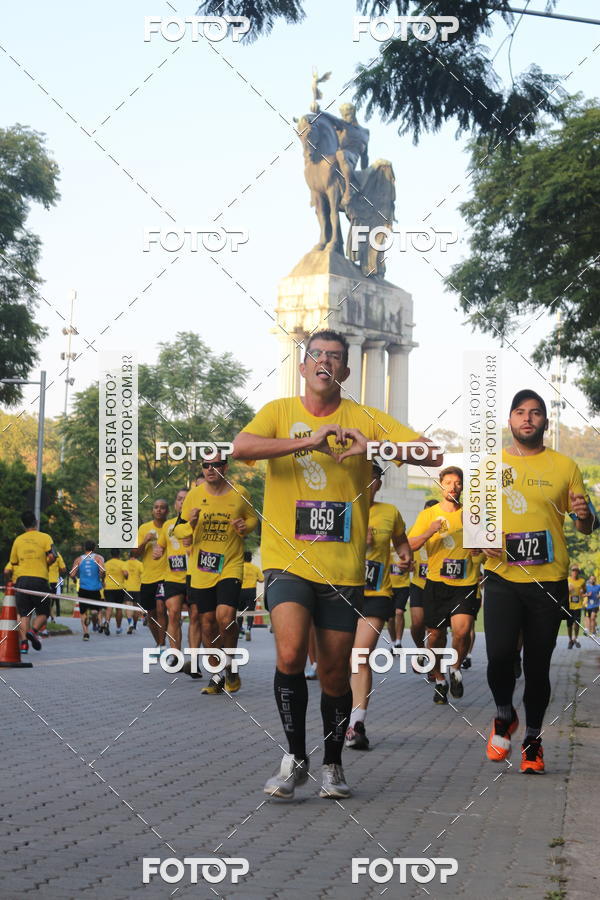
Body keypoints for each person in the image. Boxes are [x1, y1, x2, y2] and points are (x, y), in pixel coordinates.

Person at [232, 329, 442, 799]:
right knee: (288, 654)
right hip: (287, 560)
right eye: (317, 355)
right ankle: (294, 758)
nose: (325, 362)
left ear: (345, 372)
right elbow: (241, 448)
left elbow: (432, 452)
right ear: (304, 366)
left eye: (335, 357)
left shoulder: (365, 418)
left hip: (343, 569)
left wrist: (374, 447)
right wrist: (304, 443)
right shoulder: (280, 412)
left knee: (332, 673)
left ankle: (332, 762)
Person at [482, 390, 595, 773]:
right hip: (502, 577)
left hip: (549, 580)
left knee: (537, 666)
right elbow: (473, 526)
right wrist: (484, 543)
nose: (527, 419)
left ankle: (532, 740)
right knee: (498, 657)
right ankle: (503, 714)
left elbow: (586, 524)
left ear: (546, 422)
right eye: (520, 413)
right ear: (510, 420)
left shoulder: (565, 467)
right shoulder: (488, 466)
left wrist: (583, 514)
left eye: (535, 413)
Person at [176, 454, 257, 694]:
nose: (210, 469)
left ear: (226, 467)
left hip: (230, 564)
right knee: (208, 624)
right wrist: (188, 526)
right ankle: (216, 675)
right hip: (203, 567)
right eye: (206, 465)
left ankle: (231, 665)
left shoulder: (239, 492)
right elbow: (178, 527)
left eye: (216, 465)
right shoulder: (194, 494)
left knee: (226, 617)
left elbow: (253, 519)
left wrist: (246, 526)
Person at [345, 462, 411, 750]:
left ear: (378, 483)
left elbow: (401, 541)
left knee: (360, 655)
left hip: (376, 593)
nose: (365, 484)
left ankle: (357, 722)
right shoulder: (341, 507)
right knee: (338, 662)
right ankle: (342, 715)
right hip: (341, 590)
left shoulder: (390, 513)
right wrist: (357, 541)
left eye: (370, 479)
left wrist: (405, 556)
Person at [409, 467, 479, 704]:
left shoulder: (471, 514)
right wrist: (430, 531)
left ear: (462, 486)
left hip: (465, 582)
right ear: (440, 486)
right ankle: (439, 680)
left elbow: (483, 549)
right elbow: (411, 545)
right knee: (436, 636)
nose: (453, 487)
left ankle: (456, 669)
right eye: (448, 482)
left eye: (457, 483)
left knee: (461, 630)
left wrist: (478, 551)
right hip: (436, 583)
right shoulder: (429, 515)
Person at [4, 511, 56, 654]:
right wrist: (49, 560)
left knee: (24, 614)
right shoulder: (45, 537)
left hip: (22, 581)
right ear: (36, 521)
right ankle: (33, 632)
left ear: (23, 524)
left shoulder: (18, 540)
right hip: (40, 580)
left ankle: (24, 645)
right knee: (44, 612)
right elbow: (53, 555)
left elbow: (13, 562)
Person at [153, 489, 189, 660]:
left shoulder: (198, 524)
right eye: (179, 499)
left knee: (199, 618)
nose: (182, 502)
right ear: (176, 504)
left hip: (195, 578)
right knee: (173, 614)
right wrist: (157, 551)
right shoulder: (168, 526)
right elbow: (160, 546)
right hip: (173, 578)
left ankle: (196, 653)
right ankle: (175, 655)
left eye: (186, 499)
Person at [133, 500, 169, 653]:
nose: (159, 510)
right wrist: (145, 540)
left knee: (161, 609)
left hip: (166, 576)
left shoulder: (171, 528)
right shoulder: (144, 528)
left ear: (167, 511)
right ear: (152, 511)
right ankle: (159, 643)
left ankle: (162, 645)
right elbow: (134, 553)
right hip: (148, 578)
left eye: (162, 508)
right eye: (156, 507)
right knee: (151, 615)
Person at [407, 499, 438, 671]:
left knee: (434, 629)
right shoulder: (416, 527)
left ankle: (434, 668)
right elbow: (404, 546)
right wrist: (408, 561)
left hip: (437, 583)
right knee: (417, 623)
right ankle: (421, 650)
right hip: (418, 583)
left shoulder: (445, 529)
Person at [70, 541, 105, 641]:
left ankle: (86, 633)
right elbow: (102, 571)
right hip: (95, 588)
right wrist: (102, 579)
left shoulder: (79, 559)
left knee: (83, 612)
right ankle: (96, 618)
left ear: (84, 548)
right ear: (94, 548)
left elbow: (72, 574)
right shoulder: (98, 558)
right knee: (97, 609)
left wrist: (74, 579)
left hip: (83, 589)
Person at [238, 550, 264, 642]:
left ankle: (240, 630)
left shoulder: (239, 567)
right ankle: (248, 628)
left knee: (240, 611)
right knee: (250, 612)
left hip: (240, 591)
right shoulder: (255, 568)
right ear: (251, 558)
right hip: (251, 591)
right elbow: (261, 579)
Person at [388, 545, 410, 649]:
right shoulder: (385, 539)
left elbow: (411, 566)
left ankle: (398, 642)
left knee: (399, 612)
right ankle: (393, 642)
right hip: (388, 585)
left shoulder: (406, 543)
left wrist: (410, 566)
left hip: (403, 585)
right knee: (390, 618)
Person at [103, 550, 129, 635]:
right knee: (119, 608)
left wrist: (103, 580)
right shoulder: (122, 563)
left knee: (109, 607)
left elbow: (101, 573)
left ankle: (107, 622)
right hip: (119, 588)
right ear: (119, 554)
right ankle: (118, 628)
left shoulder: (106, 563)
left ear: (111, 554)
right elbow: (125, 574)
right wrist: (126, 576)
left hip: (108, 588)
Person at [566, 564, 586, 649]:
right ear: (571, 571)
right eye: (573, 570)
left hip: (578, 606)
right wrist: (568, 590)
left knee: (577, 624)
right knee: (569, 625)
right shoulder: (567, 580)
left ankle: (576, 638)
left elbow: (584, 591)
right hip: (569, 606)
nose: (575, 572)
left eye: (576, 570)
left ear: (578, 572)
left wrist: (583, 591)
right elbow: (562, 592)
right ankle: (570, 640)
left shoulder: (582, 581)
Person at [125, 552, 144, 633]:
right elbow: (143, 575)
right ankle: (135, 625)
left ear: (129, 555)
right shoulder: (140, 564)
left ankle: (130, 624)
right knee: (136, 608)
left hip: (128, 588)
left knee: (129, 606)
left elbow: (124, 573)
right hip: (138, 589)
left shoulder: (125, 563)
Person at [48, 552, 67, 621]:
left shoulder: (41, 552)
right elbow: (64, 569)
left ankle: (49, 616)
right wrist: (56, 570)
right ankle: (51, 617)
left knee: (42, 600)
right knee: (51, 601)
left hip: (42, 580)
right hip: (53, 581)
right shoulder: (57, 554)